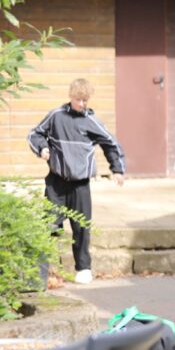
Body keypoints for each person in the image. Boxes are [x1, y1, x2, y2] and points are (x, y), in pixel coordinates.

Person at [27, 78, 126, 285]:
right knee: (49, 226)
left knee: (81, 227)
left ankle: (83, 268)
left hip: (80, 184)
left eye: (85, 100)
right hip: (56, 183)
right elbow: (35, 134)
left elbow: (111, 144)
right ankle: (39, 275)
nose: (82, 104)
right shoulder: (56, 116)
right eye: (78, 99)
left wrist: (117, 169)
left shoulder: (92, 121)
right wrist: (42, 148)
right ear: (71, 96)